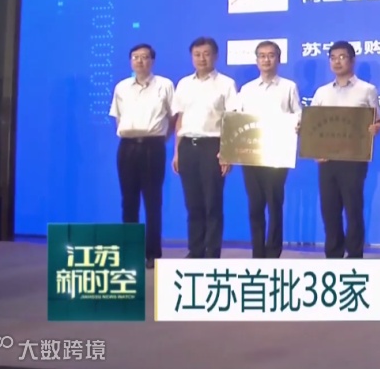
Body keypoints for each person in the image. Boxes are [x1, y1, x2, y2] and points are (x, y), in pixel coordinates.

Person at [308, 41, 380, 259]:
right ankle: (333, 254)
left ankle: (355, 255)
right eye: (332, 58)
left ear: (352, 60)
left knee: (353, 209)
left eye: (342, 57)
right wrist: (314, 148)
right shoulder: (321, 92)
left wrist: (376, 127)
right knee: (329, 210)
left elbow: (378, 120)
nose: (337, 62)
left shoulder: (367, 90)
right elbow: (313, 125)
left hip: (354, 159)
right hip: (327, 160)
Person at [108, 43, 175, 269]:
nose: (140, 61)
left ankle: (153, 253)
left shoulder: (165, 85)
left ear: (152, 61)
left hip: (153, 147)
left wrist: (160, 138)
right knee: (128, 201)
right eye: (135, 57)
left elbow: (173, 117)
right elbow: (118, 118)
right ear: (130, 61)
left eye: (144, 57)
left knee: (153, 202)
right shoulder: (121, 87)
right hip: (127, 147)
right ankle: (130, 251)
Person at [171, 37, 238, 259]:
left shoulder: (226, 84)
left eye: (206, 54)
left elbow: (231, 120)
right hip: (188, 146)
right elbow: (179, 120)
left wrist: (227, 153)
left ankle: (212, 253)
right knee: (193, 203)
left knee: (212, 203)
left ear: (215, 56)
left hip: (213, 147)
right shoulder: (184, 84)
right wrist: (177, 152)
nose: (202, 58)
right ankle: (195, 250)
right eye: (197, 54)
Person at [233, 41, 301, 259]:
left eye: (271, 55)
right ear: (256, 60)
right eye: (262, 56)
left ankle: (273, 251)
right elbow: (237, 116)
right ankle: (258, 251)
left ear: (278, 59)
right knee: (255, 204)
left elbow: (298, 113)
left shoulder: (288, 87)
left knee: (274, 203)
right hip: (251, 153)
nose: (266, 60)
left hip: (277, 153)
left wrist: (297, 124)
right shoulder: (247, 89)